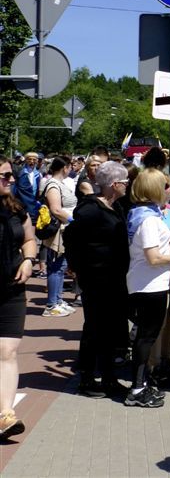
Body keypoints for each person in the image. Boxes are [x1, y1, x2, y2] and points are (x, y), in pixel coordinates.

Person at [125, 168, 170, 408]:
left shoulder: (142, 214)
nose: (169, 190)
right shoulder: (148, 219)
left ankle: (141, 383)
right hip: (149, 285)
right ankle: (137, 388)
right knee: (146, 337)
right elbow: (153, 257)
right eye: (164, 186)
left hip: (147, 282)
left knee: (146, 336)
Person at [70, 161, 131, 398]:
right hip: (96, 279)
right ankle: (86, 379)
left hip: (114, 278)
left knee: (111, 330)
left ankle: (108, 378)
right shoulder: (91, 210)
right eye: (125, 181)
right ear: (114, 184)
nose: (127, 185)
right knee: (94, 328)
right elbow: (72, 237)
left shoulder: (116, 206)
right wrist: (78, 269)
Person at [0, 156, 37, 440]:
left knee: (7, 351)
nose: (11, 179)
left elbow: (29, 239)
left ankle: (5, 415)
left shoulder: (16, 208)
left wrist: (28, 260)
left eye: (11, 175)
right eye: (5, 175)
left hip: (11, 289)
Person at [40, 157, 78, 317]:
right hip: (58, 232)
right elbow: (56, 209)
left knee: (61, 267)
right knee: (56, 267)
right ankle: (51, 305)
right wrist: (73, 220)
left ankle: (57, 300)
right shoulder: (53, 185)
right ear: (65, 168)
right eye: (70, 166)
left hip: (64, 231)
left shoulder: (59, 184)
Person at [14, 152, 41, 223]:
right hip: (22, 202)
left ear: (37, 161)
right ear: (26, 160)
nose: (32, 161)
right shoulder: (21, 172)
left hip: (34, 202)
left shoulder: (38, 174)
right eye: (29, 159)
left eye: (34, 160)